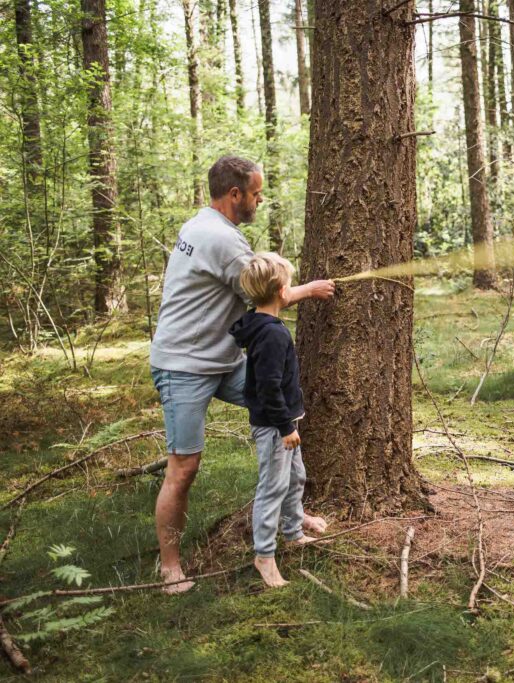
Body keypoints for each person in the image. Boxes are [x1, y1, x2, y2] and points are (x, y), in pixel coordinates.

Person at [150, 156, 334, 593]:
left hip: (224, 359)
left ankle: (291, 517)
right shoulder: (222, 241)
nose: (259, 199)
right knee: (184, 467)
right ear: (234, 194)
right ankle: (170, 568)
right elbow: (269, 295)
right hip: (185, 366)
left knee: (282, 406)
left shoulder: (204, 225)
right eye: (255, 193)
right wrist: (312, 289)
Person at [230, 253, 317, 587]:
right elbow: (267, 387)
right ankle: (264, 555)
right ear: (282, 292)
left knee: (296, 479)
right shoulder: (271, 335)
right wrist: (285, 427)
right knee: (273, 487)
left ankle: (293, 532)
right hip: (275, 428)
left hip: (285, 423)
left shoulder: (264, 326)